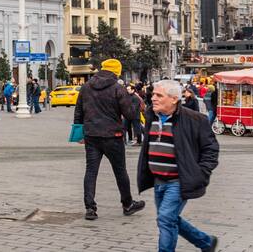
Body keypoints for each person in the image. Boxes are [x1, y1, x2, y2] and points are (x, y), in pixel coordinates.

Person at [137, 80, 220, 252]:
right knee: (168, 218)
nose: (153, 98)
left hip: (179, 180)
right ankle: (206, 242)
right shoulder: (151, 115)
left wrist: (200, 172)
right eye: (153, 94)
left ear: (174, 99)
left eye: (159, 95)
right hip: (158, 180)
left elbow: (211, 149)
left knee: (166, 219)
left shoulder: (195, 119)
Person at [74, 58, 145, 221]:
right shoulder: (118, 88)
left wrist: (80, 134)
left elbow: (78, 112)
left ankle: (90, 208)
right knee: (120, 171)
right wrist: (133, 99)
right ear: (117, 71)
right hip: (113, 136)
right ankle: (127, 204)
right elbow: (130, 114)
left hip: (91, 135)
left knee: (91, 171)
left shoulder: (86, 87)